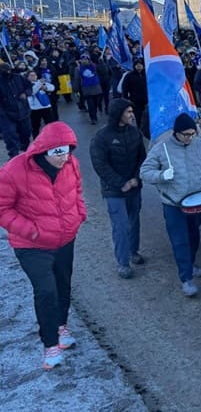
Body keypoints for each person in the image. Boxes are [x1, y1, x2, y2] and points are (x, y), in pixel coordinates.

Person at [0, 122, 87, 370]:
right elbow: (2, 208)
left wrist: (79, 214)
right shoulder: (14, 171)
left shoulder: (72, 164)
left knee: (63, 284)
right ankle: (50, 345)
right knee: (46, 291)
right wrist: (31, 230)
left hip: (65, 238)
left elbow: (77, 190)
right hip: (32, 245)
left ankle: (61, 326)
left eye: (67, 151)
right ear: (44, 151)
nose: (63, 158)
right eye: (57, 153)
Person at [139, 113, 201, 297]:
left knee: (194, 236)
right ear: (176, 133)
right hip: (173, 204)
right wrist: (161, 176)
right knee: (180, 241)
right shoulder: (161, 148)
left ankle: (191, 264)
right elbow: (145, 171)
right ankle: (186, 279)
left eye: (193, 133)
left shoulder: (200, 144)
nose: (190, 138)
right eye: (186, 134)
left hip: (197, 201)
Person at [89, 99, 147, 279]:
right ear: (118, 114)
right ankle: (123, 263)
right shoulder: (102, 136)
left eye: (132, 111)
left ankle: (133, 251)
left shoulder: (135, 132)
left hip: (134, 186)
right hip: (114, 189)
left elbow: (142, 158)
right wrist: (121, 183)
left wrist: (136, 178)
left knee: (134, 220)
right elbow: (100, 164)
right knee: (120, 225)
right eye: (128, 112)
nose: (132, 115)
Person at [0, 61, 33, 157]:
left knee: (26, 133)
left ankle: (26, 153)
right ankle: (14, 156)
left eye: (8, 70)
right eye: (4, 70)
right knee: (10, 136)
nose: (7, 72)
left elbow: (29, 86)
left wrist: (26, 93)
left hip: (23, 112)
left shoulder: (18, 78)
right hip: (6, 114)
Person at [26, 69, 55, 138]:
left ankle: (52, 138)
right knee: (35, 127)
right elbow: (32, 92)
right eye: (31, 75)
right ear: (27, 77)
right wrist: (39, 84)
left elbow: (52, 87)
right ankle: (36, 140)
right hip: (34, 109)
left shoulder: (40, 82)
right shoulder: (26, 85)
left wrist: (45, 87)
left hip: (46, 107)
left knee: (50, 124)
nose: (34, 77)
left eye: (35, 75)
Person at [121, 58, 148, 128]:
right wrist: (126, 99)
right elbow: (125, 88)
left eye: (140, 65)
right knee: (138, 116)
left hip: (147, 101)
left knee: (147, 116)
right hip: (135, 101)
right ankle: (139, 129)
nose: (139, 66)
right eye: (137, 65)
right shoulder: (129, 76)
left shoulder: (147, 74)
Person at [79, 56, 102, 124]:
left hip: (95, 87)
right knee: (90, 104)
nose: (84, 61)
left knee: (95, 103)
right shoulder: (79, 68)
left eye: (85, 59)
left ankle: (95, 113)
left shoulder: (94, 66)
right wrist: (76, 88)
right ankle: (93, 118)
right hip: (86, 88)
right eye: (83, 59)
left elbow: (100, 71)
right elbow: (77, 78)